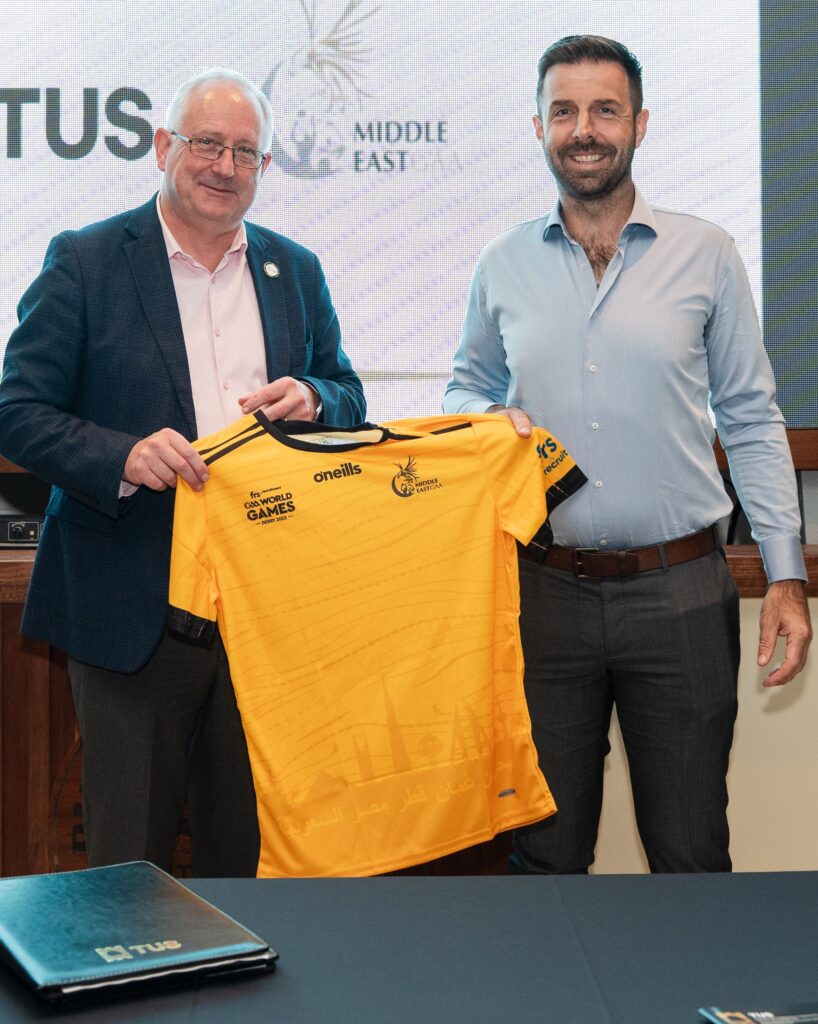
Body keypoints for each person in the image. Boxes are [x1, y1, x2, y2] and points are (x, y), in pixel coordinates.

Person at [443, 36, 812, 873]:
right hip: (543, 595)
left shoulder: (707, 253)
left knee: (689, 853)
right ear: (538, 128)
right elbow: (465, 387)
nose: (584, 129)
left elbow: (751, 418)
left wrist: (786, 576)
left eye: (604, 110)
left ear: (639, 124)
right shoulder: (501, 262)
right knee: (543, 859)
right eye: (564, 111)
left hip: (680, 593)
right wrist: (488, 418)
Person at [0, 68, 365, 876]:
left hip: (265, 618)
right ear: (164, 146)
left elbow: (347, 391)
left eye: (245, 152)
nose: (224, 166)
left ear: (265, 167)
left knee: (254, 864)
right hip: (133, 611)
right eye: (207, 143)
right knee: (129, 870)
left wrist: (314, 396)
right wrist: (121, 456)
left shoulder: (296, 269)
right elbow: (16, 409)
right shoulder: (86, 261)